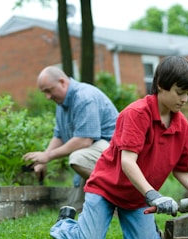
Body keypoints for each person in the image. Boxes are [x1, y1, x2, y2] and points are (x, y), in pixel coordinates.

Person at [49, 56, 188, 239]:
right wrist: (154, 195)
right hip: (106, 189)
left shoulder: (181, 125)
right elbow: (128, 162)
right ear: (160, 86)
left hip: (138, 197)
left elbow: (181, 171)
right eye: (180, 92)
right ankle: (65, 224)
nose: (185, 99)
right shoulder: (136, 114)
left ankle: (147, 234)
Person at [23, 66, 119, 212]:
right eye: (44, 93)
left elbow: (84, 140)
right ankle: (93, 207)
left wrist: (48, 156)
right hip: (95, 154)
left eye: (49, 90)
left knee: (78, 158)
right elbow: (59, 135)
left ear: (62, 82)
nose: (47, 97)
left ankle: (118, 197)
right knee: (74, 207)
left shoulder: (84, 97)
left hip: (116, 154)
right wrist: (42, 159)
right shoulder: (61, 104)